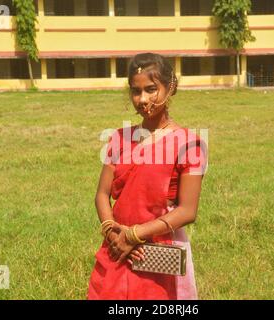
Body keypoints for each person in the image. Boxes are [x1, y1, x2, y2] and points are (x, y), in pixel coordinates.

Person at [87, 52, 207, 300]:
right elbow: (102, 194)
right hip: (116, 249)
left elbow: (187, 211)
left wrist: (134, 236)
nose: (142, 99)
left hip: (157, 252)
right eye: (135, 91)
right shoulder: (119, 138)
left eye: (151, 89)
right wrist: (113, 234)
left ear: (170, 87)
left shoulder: (189, 144)